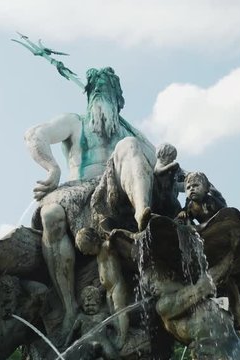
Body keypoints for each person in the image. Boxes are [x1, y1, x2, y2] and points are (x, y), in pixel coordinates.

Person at [25, 67, 156, 330]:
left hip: (117, 193)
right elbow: (34, 134)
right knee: (50, 214)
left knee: (129, 146)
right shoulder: (75, 122)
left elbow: (154, 164)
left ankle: (144, 217)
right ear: (88, 98)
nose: (99, 94)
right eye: (95, 89)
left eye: (106, 89)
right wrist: (52, 168)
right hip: (78, 192)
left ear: (119, 101)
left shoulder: (129, 135)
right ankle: (68, 307)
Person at [75, 227, 129, 348]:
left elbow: (112, 242)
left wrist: (111, 236)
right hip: (109, 290)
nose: (86, 254)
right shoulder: (98, 254)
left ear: (94, 241)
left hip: (117, 286)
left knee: (120, 311)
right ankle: (118, 333)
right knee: (112, 312)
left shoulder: (106, 247)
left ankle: (123, 337)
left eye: (87, 250)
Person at [64, 286, 119, 359]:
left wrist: (119, 335)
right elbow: (73, 332)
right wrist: (66, 344)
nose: (90, 308)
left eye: (93, 305)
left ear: (99, 303)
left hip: (103, 342)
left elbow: (115, 325)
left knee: (111, 353)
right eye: (87, 305)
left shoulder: (103, 316)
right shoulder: (81, 317)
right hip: (86, 345)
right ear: (82, 305)